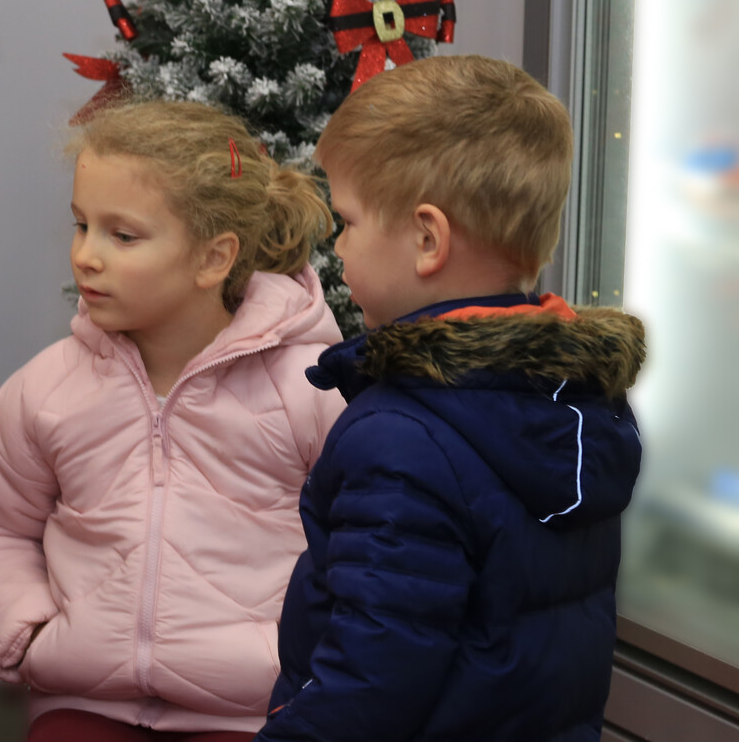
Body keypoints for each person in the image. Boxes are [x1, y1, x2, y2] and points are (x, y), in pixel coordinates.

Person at [257, 55, 645, 742]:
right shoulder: (575, 404)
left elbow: (368, 682)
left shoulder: (401, 438)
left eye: (347, 222)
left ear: (427, 239)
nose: (337, 249)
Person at [0, 100, 345, 742]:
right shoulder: (47, 389)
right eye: (81, 226)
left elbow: (367, 544)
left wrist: (319, 666)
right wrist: (27, 629)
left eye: (122, 236)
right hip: (86, 703)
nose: (86, 256)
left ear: (213, 259)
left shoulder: (312, 389)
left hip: (259, 712)